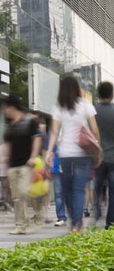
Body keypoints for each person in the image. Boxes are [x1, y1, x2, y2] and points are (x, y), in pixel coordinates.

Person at [45, 76, 101, 233]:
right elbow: (95, 130)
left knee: (67, 189)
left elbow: (54, 132)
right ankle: (77, 223)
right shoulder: (86, 105)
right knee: (78, 189)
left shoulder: (58, 108)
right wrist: (97, 149)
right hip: (83, 154)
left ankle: (75, 221)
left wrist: (49, 152)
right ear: (77, 88)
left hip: (65, 154)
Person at [2, 96, 42, 235]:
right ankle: (20, 225)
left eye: (6, 108)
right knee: (17, 196)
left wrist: (33, 157)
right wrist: (6, 161)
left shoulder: (29, 122)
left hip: (26, 164)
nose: (5, 111)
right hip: (13, 165)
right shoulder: (9, 126)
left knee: (24, 192)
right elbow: (7, 144)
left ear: (12, 107)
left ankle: (36, 213)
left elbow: (37, 138)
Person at [94, 81, 114, 229]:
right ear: (112, 94)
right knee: (113, 192)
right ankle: (110, 223)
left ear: (99, 94)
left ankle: (96, 214)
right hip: (113, 158)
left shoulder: (92, 112)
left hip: (97, 158)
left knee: (96, 188)